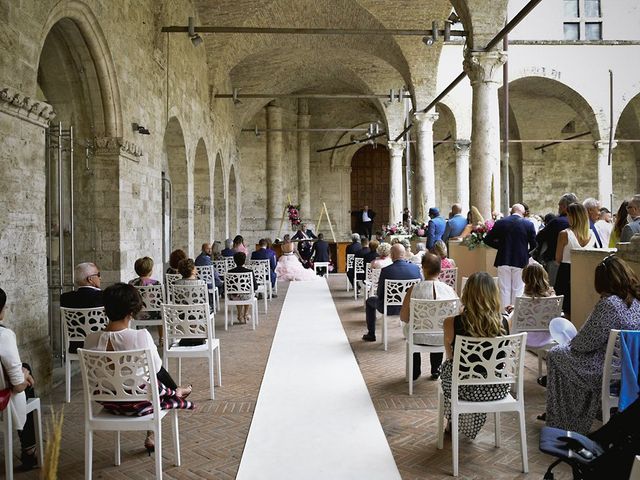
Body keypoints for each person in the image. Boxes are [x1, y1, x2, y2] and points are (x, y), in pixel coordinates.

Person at [84, 283, 194, 453]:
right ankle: (172, 397)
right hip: (137, 403)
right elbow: (157, 369)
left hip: (108, 401)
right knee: (153, 380)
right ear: (131, 312)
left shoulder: (90, 340)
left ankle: (175, 391)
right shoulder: (140, 336)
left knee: (146, 380)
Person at [545, 255, 640, 433]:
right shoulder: (636, 302)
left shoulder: (610, 304)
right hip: (630, 369)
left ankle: (565, 421)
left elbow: (584, 344)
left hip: (605, 370)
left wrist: (571, 341)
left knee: (556, 354)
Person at [441, 272, 510, 440]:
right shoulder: (506, 322)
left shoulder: (451, 323)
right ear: (493, 295)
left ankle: (453, 420)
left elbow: (451, 358)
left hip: (463, 390)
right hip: (496, 389)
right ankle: (459, 423)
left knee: (448, 369)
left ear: (466, 294)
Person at [400, 253, 459, 380]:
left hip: (417, 336)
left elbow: (404, 317)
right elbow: (456, 317)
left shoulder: (414, 289)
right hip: (443, 337)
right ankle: (436, 369)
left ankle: (415, 371)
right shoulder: (450, 291)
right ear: (440, 269)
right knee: (440, 327)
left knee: (411, 328)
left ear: (423, 268)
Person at [0, 288, 39, 470]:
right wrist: (25, 376)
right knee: (25, 373)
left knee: (23, 368)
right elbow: (18, 386)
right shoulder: (4, 336)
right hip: (3, 397)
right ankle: (29, 450)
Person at [362, 244, 421, 342]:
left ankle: (371, 334)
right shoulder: (415, 269)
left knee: (369, 301)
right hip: (410, 307)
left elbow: (380, 292)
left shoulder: (386, 270)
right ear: (404, 254)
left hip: (389, 307)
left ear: (392, 255)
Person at [483, 204, 537, 309]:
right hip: (521, 260)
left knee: (504, 289)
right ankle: (514, 315)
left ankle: (504, 315)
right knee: (518, 288)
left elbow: (487, 239)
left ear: (512, 212)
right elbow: (534, 244)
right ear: (523, 213)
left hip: (503, 258)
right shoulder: (528, 224)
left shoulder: (501, 223)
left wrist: (500, 247)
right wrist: (526, 252)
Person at [554, 202, 596, 317]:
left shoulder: (564, 234)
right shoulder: (592, 235)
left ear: (572, 216)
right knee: (583, 307)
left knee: (566, 309)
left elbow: (558, 258)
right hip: (586, 272)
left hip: (566, 271)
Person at [504, 262, 555, 349]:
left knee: (507, 319)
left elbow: (517, 320)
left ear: (525, 278)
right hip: (547, 337)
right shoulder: (552, 297)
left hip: (526, 338)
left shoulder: (523, 300)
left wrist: (513, 311)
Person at [60, 262, 104, 354]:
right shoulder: (104, 296)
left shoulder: (65, 298)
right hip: (100, 345)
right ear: (90, 279)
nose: (100, 278)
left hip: (76, 346)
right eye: (98, 275)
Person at [536, 193, 578, 286]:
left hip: (556, 261)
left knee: (554, 288)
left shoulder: (556, 222)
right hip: (576, 263)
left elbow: (539, 237)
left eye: (560, 205)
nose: (558, 207)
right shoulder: (582, 224)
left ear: (564, 206)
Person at [129, 256, 163, 345]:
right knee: (161, 311)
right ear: (150, 270)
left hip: (137, 313)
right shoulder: (156, 283)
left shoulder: (131, 283)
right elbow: (161, 300)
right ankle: (161, 338)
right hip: (153, 314)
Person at [227, 252, 258, 324]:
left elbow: (227, 286)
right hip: (246, 296)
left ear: (234, 261)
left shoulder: (230, 271)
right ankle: (245, 313)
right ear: (244, 261)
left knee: (237, 292)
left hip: (234, 297)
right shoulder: (249, 272)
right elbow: (255, 287)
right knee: (247, 292)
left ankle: (239, 314)